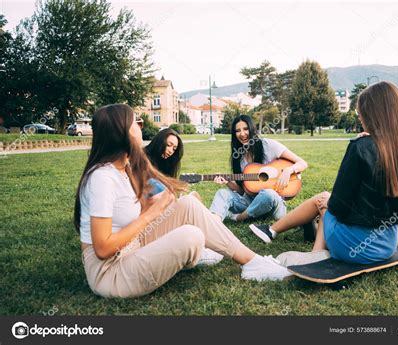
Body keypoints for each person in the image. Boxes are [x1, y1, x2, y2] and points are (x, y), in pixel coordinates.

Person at [74, 104, 292, 298]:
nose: (141, 126)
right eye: (136, 123)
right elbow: (102, 249)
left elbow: (131, 217)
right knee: (192, 236)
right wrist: (152, 212)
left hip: (134, 246)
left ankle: (253, 262)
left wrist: (151, 207)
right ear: (121, 131)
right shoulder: (102, 177)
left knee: (188, 203)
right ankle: (196, 252)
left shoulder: (124, 168)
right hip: (110, 272)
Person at [249, 81, 398, 267]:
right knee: (327, 201)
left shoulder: (360, 148)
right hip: (388, 244)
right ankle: (287, 230)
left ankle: (314, 251)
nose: (360, 119)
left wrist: (328, 204)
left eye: (360, 113)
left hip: (354, 247)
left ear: (373, 115)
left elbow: (339, 206)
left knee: (324, 200)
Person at [210, 115, 308, 222]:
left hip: (273, 204)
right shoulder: (239, 156)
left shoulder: (268, 145)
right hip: (250, 203)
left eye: (246, 129)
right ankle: (213, 223)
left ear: (252, 128)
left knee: (268, 194)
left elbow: (302, 163)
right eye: (238, 131)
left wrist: (288, 171)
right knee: (222, 193)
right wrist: (228, 181)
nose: (242, 134)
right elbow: (244, 191)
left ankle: (240, 217)